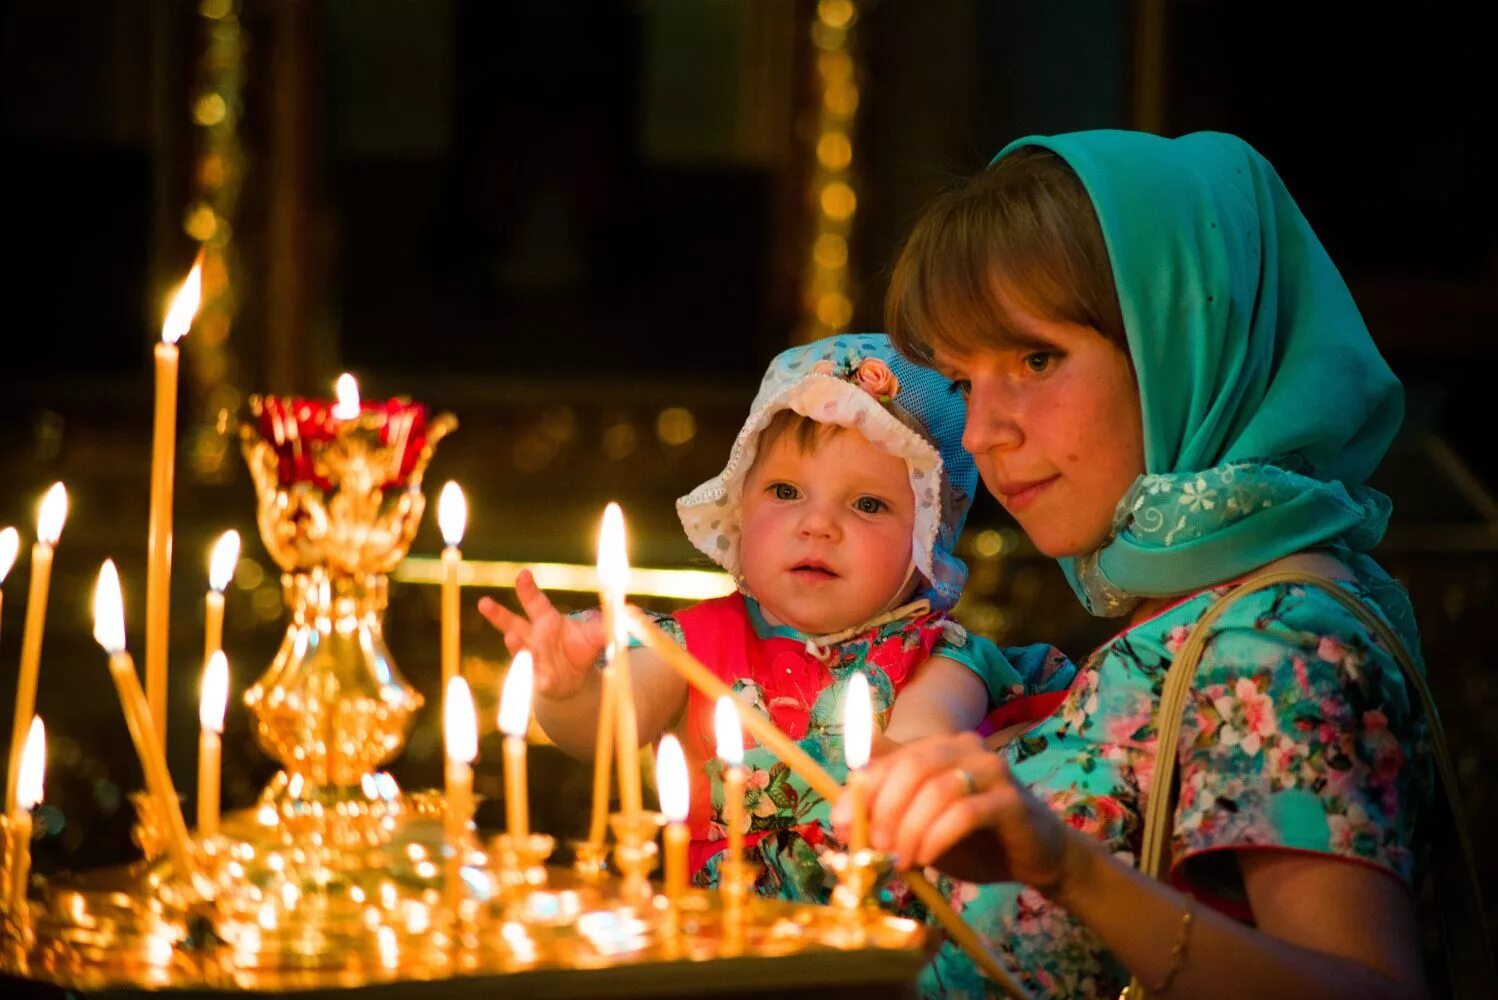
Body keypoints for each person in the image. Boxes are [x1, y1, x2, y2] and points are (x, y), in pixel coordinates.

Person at [831, 130, 1433, 998]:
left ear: (1185, 342)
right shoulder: (1190, 611)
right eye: (964, 382)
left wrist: (1069, 870)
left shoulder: (1273, 639)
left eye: (1036, 360)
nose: (980, 432)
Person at [480, 332, 1074, 899]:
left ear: (925, 546)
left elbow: (913, 763)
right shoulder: (697, 642)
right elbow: (611, 727)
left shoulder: (938, 661)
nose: (816, 525)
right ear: (739, 509)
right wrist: (566, 692)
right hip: (719, 936)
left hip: (874, 937)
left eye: (868, 504)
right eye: (786, 492)